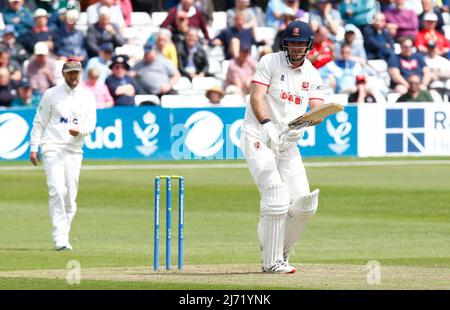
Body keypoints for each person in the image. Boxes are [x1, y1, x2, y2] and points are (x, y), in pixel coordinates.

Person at [241, 20, 323, 274]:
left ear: (308, 45)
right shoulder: (269, 61)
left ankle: (279, 250)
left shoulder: (312, 73)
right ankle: (271, 262)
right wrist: (266, 124)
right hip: (259, 136)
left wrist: (302, 126)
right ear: (285, 43)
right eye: (292, 43)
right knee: (276, 195)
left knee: (304, 203)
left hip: (287, 142)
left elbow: (317, 110)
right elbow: (256, 96)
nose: (296, 48)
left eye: (301, 43)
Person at [29, 59, 97, 251]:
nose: (73, 76)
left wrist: (80, 131)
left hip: (74, 150)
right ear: (63, 73)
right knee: (56, 189)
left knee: (69, 197)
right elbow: (39, 121)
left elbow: (91, 124)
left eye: (76, 73)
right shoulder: (51, 94)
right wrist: (34, 146)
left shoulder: (87, 97)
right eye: (70, 73)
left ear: (80, 73)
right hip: (52, 147)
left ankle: (63, 234)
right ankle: (59, 237)